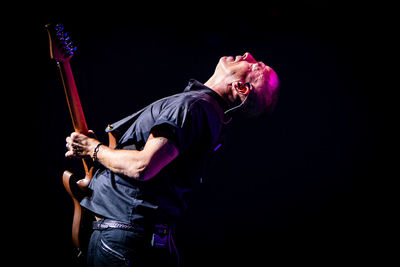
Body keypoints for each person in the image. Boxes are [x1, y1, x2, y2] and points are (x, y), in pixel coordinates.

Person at [65, 52, 279, 266]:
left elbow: (142, 166)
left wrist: (93, 148)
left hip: (123, 240)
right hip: (136, 239)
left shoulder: (193, 107)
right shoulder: (208, 115)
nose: (248, 55)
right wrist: (100, 152)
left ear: (241, 87)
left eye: (255, 65)